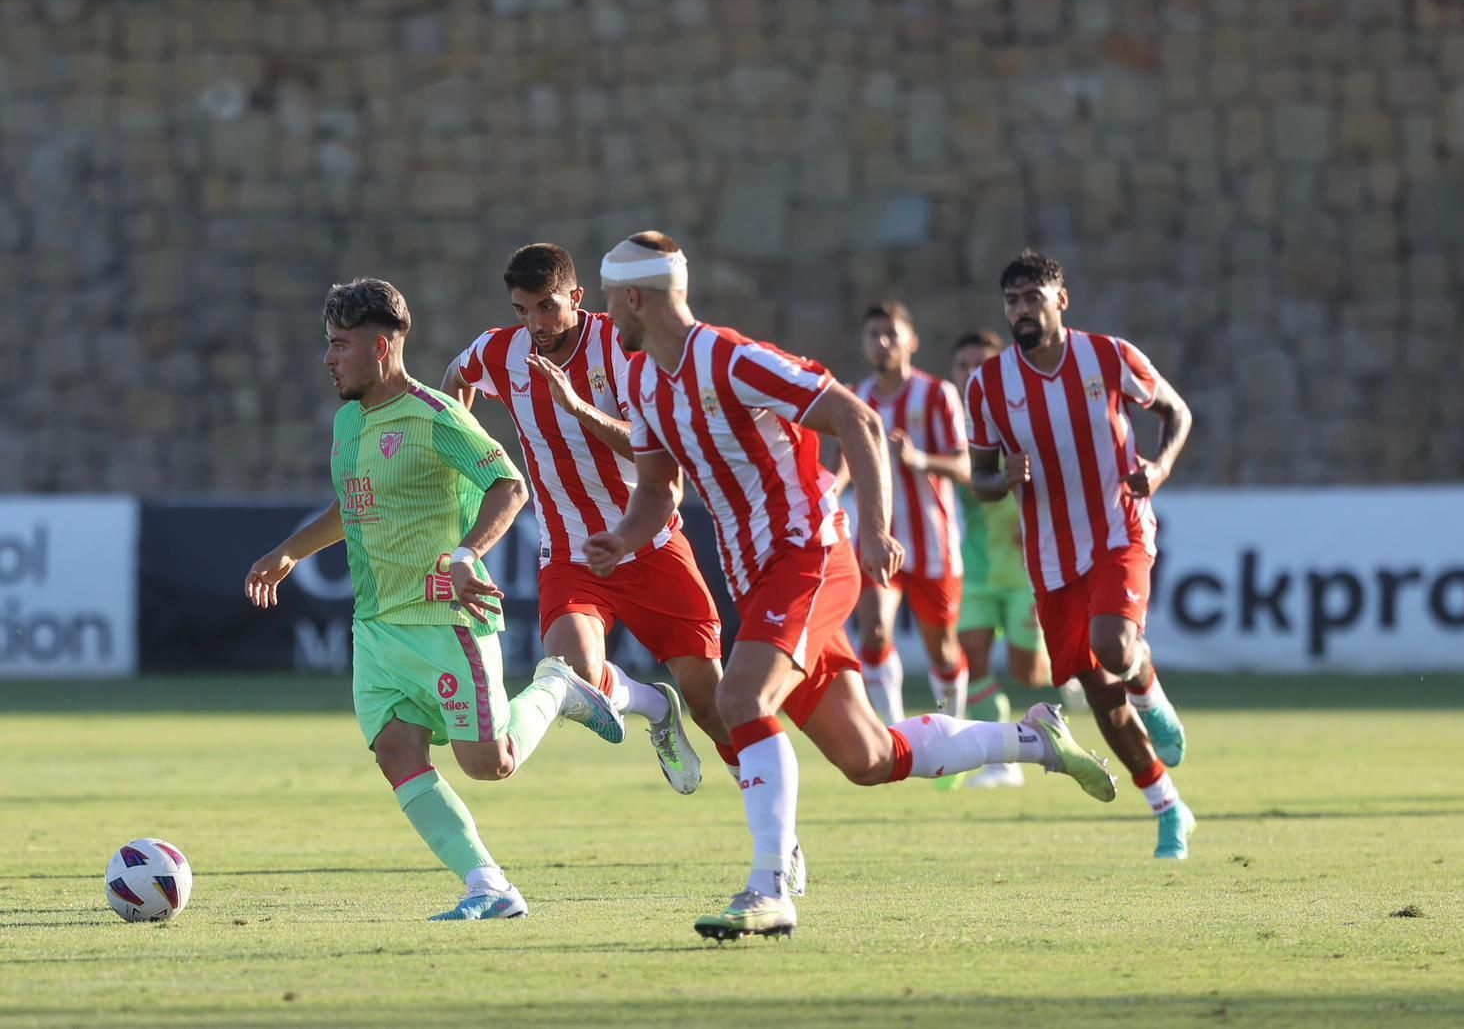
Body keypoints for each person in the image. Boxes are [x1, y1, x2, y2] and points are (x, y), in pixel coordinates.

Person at [583, 232, 1116, 941]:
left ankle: (769, 887)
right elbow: (657, 489)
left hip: (809, 553)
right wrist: (623, 539)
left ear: (633, 298)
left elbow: (855, 418)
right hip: (757, 576)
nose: (605, 313)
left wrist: (874, 529)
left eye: (607, 299)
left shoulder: (731, 358)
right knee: (868, 758)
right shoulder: (645, 381)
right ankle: (1035, 739)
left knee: (741, 699)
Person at [245, 278, 622, 921]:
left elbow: (509, 485)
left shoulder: (435, 416)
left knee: (489, 764)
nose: (329, 359)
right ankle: (488, 885)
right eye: (328, 344)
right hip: (376, 625)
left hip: (443, 618)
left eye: (340, 345)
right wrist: (290, 552)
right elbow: (353, 505)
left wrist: (467, 555)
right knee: (396, 751)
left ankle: (557, 687)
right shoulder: (348, 421)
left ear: (382, 347)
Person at [442, 242, 734, 796]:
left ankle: (771, 823)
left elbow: (652, 449)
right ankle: (655, 706)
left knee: (714, 706)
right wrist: (468, 451)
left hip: (649, 545)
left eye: (547, 307)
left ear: (576, 297)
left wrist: (577, 407)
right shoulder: (501, 351)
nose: (536, 324)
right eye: (522, 311)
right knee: (572, 673)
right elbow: (457, 376)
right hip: (570, 555)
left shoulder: (620, 346)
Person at [965, 250, 1195, 859]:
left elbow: (1176, 412)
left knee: (1115, 646)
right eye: (1012, 301)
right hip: (1050, 557)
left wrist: (1160, 466)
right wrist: (1001, 478)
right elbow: (979, 477)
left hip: (1120, 529)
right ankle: (1169, 808)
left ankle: (1152, 696)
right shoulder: (987, 385)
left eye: (1032, 299)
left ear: (1060, 301)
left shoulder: (1109, 356)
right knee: (1099, 695)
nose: (1021, 311)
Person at [843, 302, 970, 723]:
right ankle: (898, 735)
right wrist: (831, 488)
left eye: (891, 334)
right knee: (875, 632)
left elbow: (964, 465)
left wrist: (919, 460)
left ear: (911, 342)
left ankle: (951, 727)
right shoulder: (856, 399)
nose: (881, 343)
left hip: (933, 542)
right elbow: (844, 464)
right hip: (878, 538)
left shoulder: (937, 395)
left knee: (943, 650)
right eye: (873, 335)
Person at [947, 330, 1053, 790]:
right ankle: (1003, 759)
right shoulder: (948, 425)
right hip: (975, 568)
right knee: (969, 657)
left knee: (1030, 674)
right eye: (963, 366)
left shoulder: (1023, 420)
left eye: (982, 365)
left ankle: (1070, 677)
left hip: (1025, 569)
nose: (972, 374)